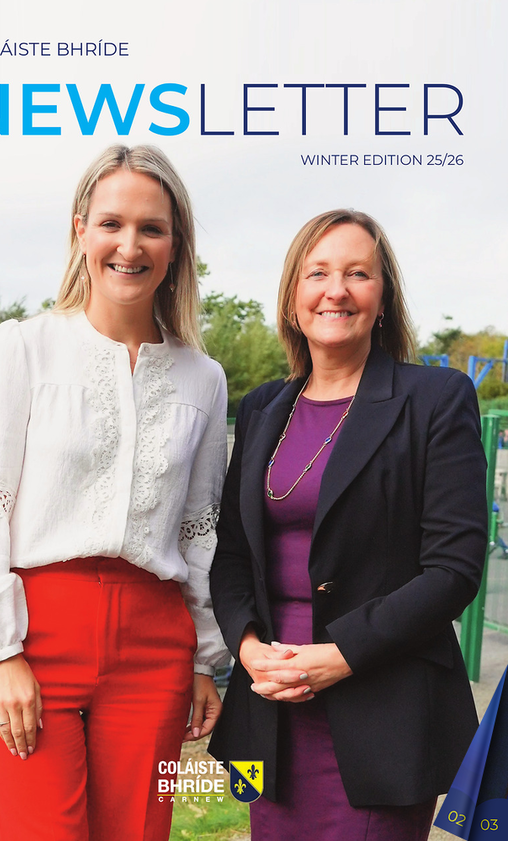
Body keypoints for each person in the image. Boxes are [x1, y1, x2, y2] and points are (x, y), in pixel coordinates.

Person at [0, 144, 230, 841]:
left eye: (152, 228)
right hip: (33, 635)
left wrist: (201, 659)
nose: (130, 245)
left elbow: (199, 528)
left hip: (155, 646)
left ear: (176, 245)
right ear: (80, 231)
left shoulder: (205, 378)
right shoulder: (22, 347)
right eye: (111, 223)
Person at [208, 210, 488, 840]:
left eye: (358, 273)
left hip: (380, 710)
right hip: (271, 705)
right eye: (318, 273)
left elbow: (453, 569)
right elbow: (232, 555)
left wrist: (340, 657)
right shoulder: (261, 408)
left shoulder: (436, 399)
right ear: (293, 296)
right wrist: (249, 652)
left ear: (383, 299)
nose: (336, 290)